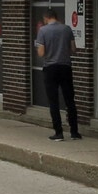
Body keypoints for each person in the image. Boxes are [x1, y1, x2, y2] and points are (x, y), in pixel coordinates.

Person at [34, 8, 80, 140]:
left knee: (53, 101)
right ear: (56, 17)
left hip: (50, 68)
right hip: (65, 67)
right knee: (70, 100)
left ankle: (59, 132)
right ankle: (74, 132)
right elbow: (73, 49)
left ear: (46, 18)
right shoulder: (67, 29)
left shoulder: (43, 30)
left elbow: (41, 53)